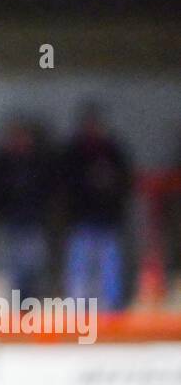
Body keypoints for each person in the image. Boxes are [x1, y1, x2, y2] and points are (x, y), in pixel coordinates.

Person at [60, 103, 131, 310]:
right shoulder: (74, 152)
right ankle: (78, 312)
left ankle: (109, 313)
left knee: (109, 272)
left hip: (108, 221)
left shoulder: (113, 151)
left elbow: (125, 183)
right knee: (80, 271)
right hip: (81, 222)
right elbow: (65, 185)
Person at [0, 118, 54, 297]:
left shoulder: (39, 164)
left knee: (34, 271)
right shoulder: (1, 163)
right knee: (11, 274)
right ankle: (13, 314)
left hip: (33, 223)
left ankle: (30, 310)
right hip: (9, 224)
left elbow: (49, 190)